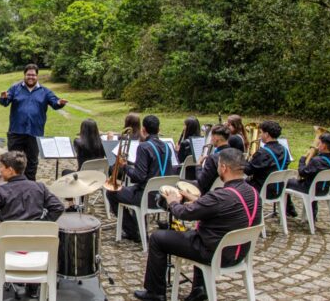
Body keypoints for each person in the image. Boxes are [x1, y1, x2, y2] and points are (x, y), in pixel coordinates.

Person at [135, 148, 261, 301]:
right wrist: (195, 199)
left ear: (224, 168)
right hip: (238, 253)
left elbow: (183, 214)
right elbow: (220, 207)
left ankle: (155, 293)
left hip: (215, 253)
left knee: (157, 238)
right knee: (201, 233)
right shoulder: (253, 192)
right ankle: (199, 288)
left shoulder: (220, 196)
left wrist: (173, 202)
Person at [0, 151, 64, 300]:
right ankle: (33, 289)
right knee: (34, 243)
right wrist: (42, 225)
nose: (0, 170)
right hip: (35, 241)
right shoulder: (40, 187)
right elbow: (58, 207)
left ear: (11, 170)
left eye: (2, 166)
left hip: (8, 241)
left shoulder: (1, 190)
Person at [106, 115, 175, 242]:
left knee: (111, 192)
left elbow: (139, 176)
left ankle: (133, 231)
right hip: (164, 196)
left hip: (147, 197)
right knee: (129, 189)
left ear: (143, 130)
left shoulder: (143, 147)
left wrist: (125, 166)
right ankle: (137, 225)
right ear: (159, 130)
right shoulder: (167, 147)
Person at [0, 64, 67, 180]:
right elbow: (5, 102)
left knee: (32, 163)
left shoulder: (45, 91)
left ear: (37, 76)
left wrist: (60, 103)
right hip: (16, 132)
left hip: (35, 133)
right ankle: (13, 187)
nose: (31, 77)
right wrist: (3, 98)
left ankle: (30, 187)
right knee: (13, 161)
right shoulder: (15, 88)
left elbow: (55, 103)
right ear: (24, 75)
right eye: (28, 74)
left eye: (33, 75)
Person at [286, 132, 330, 220]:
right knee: (315, 183)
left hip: (310, 189)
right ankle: (312, 214)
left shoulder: (317, 161)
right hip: (325, 190)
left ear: (324, 146)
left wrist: (302, 159)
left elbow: (302, 173)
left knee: (286, 182)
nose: (317, 145)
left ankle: (290, 210)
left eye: (319, 143)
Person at [244, 120, 293, 215]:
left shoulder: (263, 153)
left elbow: (248, 171)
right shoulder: (285, 150)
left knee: (238, 184)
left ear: (266, 134)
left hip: (263, 190)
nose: (259, 136)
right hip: (279, 189)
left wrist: (246, 160)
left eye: (261, 133)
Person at [195, 125, 230, 195]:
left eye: (212, 137)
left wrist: (198, 166)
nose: (211, 140)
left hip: (210, 194)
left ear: (216, 138)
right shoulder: (237, 154)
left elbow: (202, 183)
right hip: (229, 191)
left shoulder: (212, 158)